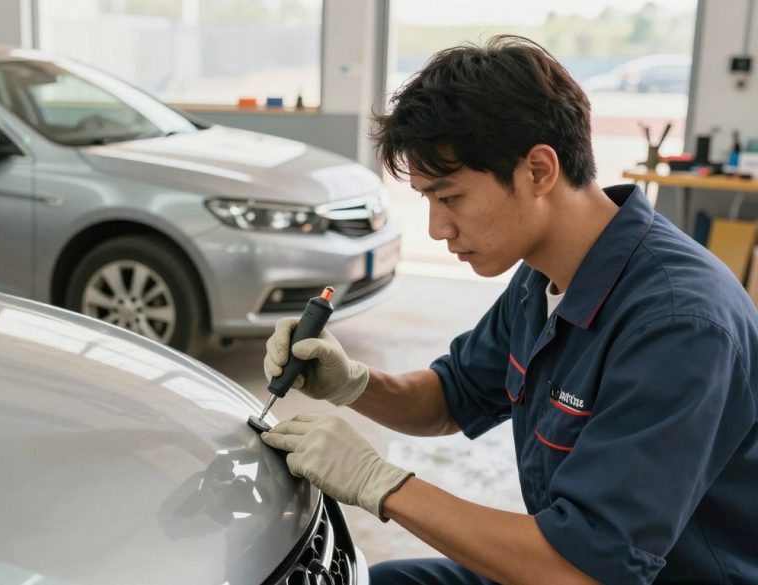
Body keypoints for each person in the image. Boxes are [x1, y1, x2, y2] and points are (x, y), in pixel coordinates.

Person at [259, 35, 758, 584]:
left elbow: (586, 569)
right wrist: (351, 383)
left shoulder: (678, 325)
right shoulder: (543, 275)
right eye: (427, 200)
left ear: (539, 171)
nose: (437, 228)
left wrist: (382, 484)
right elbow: (452, 398)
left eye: (450, 198)